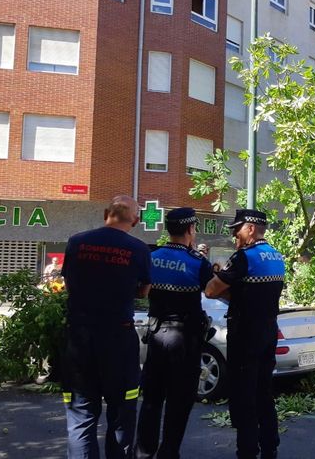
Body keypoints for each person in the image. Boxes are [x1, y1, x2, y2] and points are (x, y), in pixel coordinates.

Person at [60, 195, 152, 458]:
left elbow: (69, 284)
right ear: (134, 221)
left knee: (80, 416)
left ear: (105, 213)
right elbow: (144, 291)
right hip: (118, 339)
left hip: (79, 338)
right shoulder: (139, 249)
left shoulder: (76, 242)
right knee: (122, 414)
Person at [205, 209, 284, 459]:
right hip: (268, 331)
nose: (233, 236)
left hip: (245, 334)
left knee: (244, 394)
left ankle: (247, 451)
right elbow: (248, 293)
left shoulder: (243, 257)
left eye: (236, 230)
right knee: (264, 391)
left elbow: (210, 291)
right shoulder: (276, 256)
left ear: (250, 228)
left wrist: (215, 273)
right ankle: (270, 447)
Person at [136, 208, 213, 458]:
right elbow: (212, 291)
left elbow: (141, 291)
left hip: (156, 335)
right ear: (190, 229)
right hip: (185, 339)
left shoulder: (152, 256)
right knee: (179, 401)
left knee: (152, 398)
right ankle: (168, 452)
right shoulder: (198, 262)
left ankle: (144, 451)